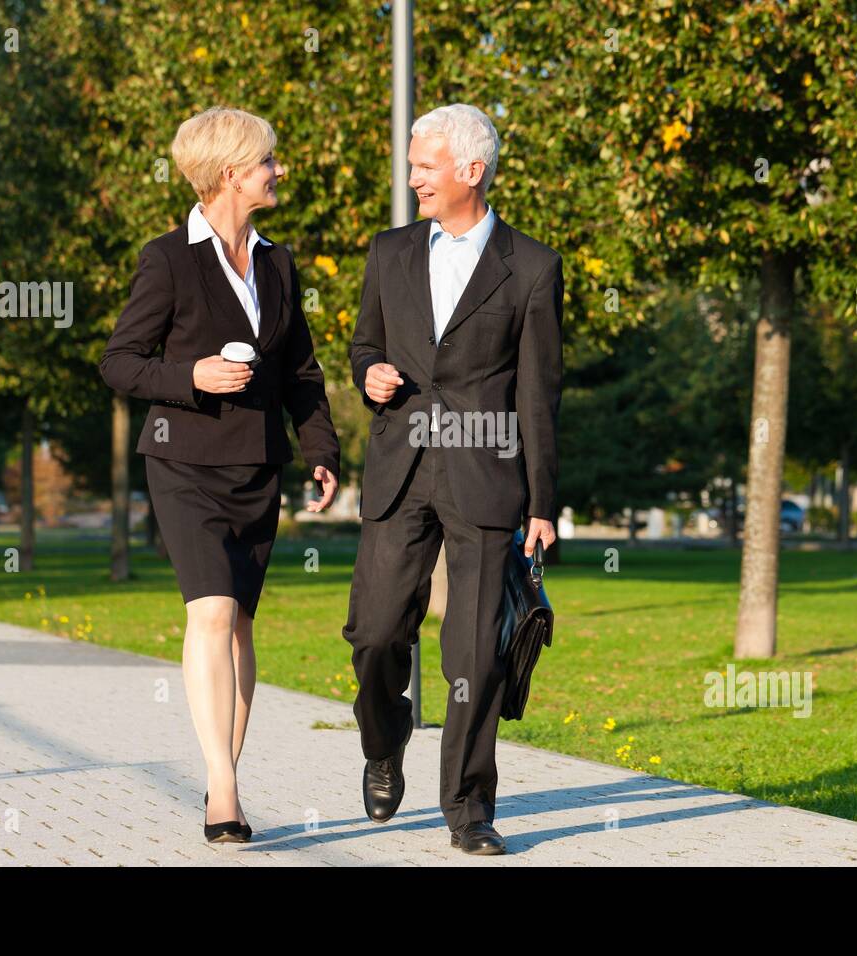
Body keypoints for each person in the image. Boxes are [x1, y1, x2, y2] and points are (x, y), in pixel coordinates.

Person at [99, 106, 340, 845]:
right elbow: (119, 362)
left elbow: (300, 369)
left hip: (256, 466)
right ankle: (226, 790)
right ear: (232, 172)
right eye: (268, 160)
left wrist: (322, 449)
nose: (279, 170)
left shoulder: (278, 261)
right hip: (181, 462)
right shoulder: (167, 258)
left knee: (238, 622)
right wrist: (191, 375)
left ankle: (220, 774)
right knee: (207, 610)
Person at [343, 103, 563, 855]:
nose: (412, 181)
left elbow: (538, 391)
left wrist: (541, 500)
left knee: (475, 655)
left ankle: (468, 809)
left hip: (486, 473)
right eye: (411, 166)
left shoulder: (531, 267)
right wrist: (365, 371)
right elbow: (365, 340)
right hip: (399, 464)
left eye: (423, 167)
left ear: (471, 171)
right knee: (375, 634)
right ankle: (385, 733)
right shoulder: (389, 251)